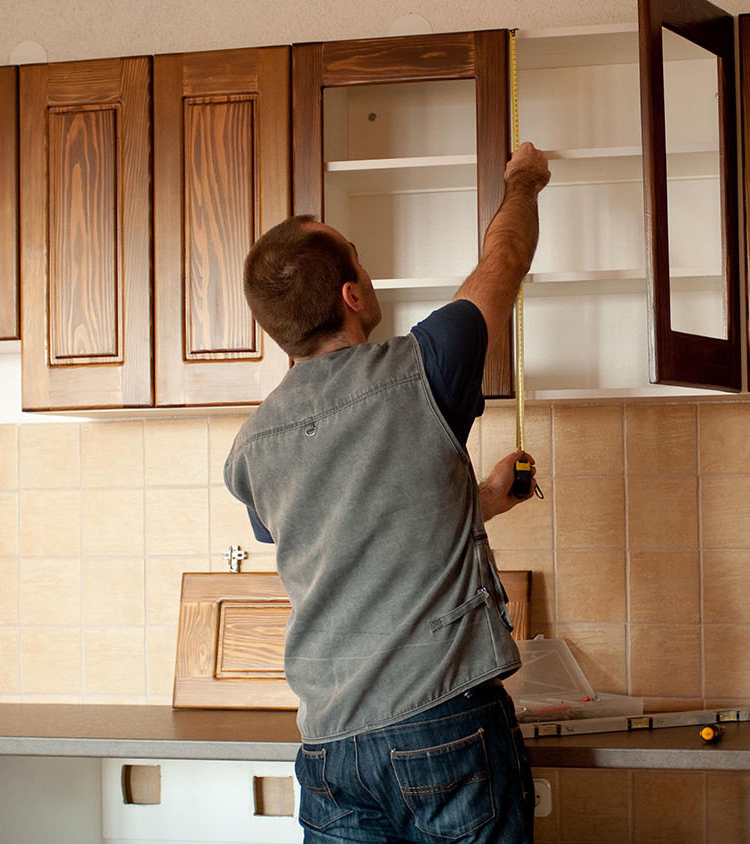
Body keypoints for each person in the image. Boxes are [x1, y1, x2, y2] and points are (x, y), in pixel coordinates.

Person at [223, 142, 552, 843]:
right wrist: (523, 182)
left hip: (331, 752)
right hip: (444, 727)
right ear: (353, 295)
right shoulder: (425, 367)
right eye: (356, 254)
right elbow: (505, 261)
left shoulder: (252, 450)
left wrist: (481, 500)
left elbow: (347, 530)